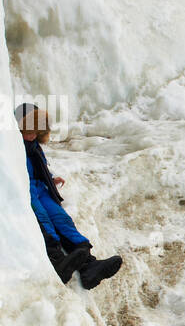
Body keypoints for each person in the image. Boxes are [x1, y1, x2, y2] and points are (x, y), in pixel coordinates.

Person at [17, 103, 123, 289]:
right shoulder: (13, 145)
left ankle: (89, 265)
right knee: (43, 219)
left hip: (40, 188)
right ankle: (57, 261)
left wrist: (50, 179)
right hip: (26, 189)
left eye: (36, 131)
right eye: (29, 131)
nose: (32, 135)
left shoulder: (33, 146)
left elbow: (39, 167)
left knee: (61, 218)